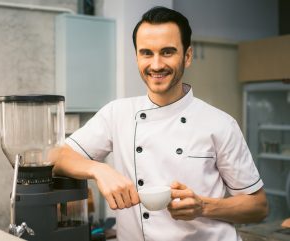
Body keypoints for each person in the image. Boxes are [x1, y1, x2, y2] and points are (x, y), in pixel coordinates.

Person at [50, 6, 268, 241]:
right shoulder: (118, 113)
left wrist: (203, 207)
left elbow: (258, 206)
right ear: (136, 57)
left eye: (167, 52)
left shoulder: (221, 124)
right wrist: (98, 170)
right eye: (146, 53)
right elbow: (56, 157)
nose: (156, 65)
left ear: (187, 56)